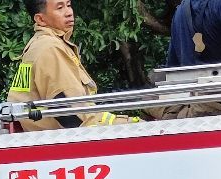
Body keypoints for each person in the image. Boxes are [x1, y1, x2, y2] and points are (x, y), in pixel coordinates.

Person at [7, 0, 132, 131]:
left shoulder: (43, 44)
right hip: (70, 140)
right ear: (41, 19)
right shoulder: (50, 48)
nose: (69, 13)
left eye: (69, 5)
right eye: (60, 8)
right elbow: (70, 112)